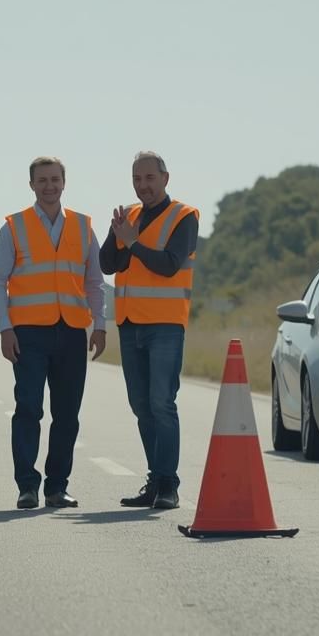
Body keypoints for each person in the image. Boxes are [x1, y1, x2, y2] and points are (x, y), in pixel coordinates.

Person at [0, 156, 107, 509]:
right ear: (32, 185)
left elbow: (96, 282)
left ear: (64, 182)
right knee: (29, 408)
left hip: (71, 332)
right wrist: (5, 328)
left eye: (55, 179)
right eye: (42, 180)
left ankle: (56, 487)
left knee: (67, 413)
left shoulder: (84, 227)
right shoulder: (14, 227)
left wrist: (99, 325)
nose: (49, 186)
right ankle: (27, 486)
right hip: (28, 333)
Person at [99, 150, 199, 510]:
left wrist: (133, 242)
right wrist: (121, 237)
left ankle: (169, 484)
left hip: (165, 326)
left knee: (161, 403)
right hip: (129, 325)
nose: (144, 186)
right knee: (141, 405)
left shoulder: (184, 217)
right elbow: (106, 263)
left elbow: (169, 265)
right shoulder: (128, 217)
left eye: (150, 178)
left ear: (165, 179)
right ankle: (155, 481)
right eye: (137, 180)